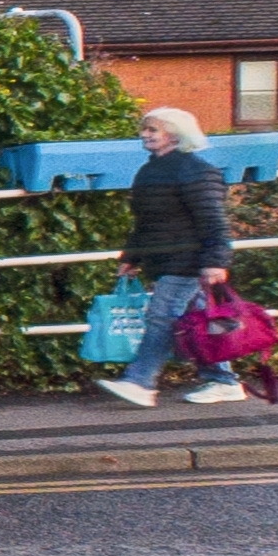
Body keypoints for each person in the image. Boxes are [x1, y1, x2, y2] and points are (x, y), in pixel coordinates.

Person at [93, 107, 244, 409]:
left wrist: (216, 261)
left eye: (153, 129)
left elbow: (213, 220)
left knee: (161, 316)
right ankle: (223, 381)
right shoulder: (151, 170)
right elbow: (147, 220)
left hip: (187, 260)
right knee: (197, 320)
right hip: (168, 259)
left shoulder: (195, 170)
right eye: (144, 129)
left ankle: (140, 382)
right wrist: (132, 256)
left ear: (175, 134)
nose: (145, 135)